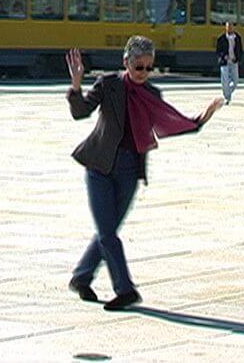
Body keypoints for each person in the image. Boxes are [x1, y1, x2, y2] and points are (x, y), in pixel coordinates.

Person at [65, 36, 224, 311]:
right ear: (126, 62)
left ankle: (81, 277)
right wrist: (77, 84)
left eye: (149, 68)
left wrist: (202, 117)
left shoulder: (152, 94)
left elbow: (172, 121)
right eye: (139, 67)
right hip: (99, 167)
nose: (144, 73)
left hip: (129, 170)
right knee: (107, 231)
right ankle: (125, 289)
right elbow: (80, 113)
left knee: (108, 230)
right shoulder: (109, 84)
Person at [216, 21, 244, 105]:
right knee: (225, 81)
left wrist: (239, 58)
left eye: (231, 27)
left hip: (234, 61)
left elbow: (240, 49)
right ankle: (226, 97)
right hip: (224, 62)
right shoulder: (221, 38)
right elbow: (218, 51)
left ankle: (228, 93)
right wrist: (223, 56)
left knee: (235, 81)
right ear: (225, 28)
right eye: (228, 27)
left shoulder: (237, 38)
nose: (229, 28)